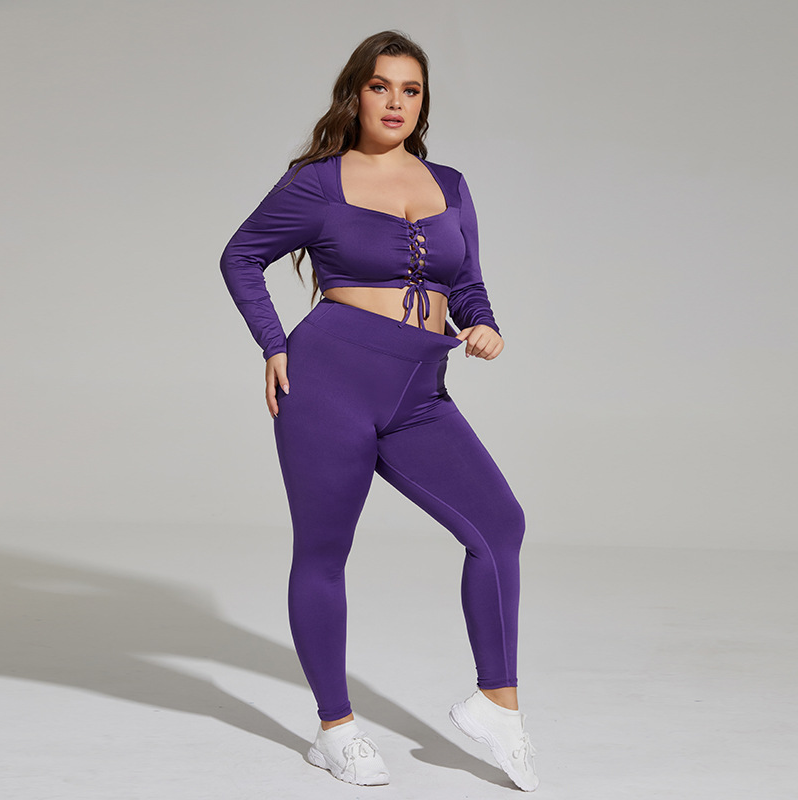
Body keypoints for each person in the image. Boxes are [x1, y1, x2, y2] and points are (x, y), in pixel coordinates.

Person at [219, 30, 539, 792]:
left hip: (420, 390)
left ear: (424, 103)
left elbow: (468, 283)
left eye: (411, 90)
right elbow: (241, 255)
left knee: (499, 527)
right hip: (329, 380)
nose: (395, 102)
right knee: (324, 551)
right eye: (380, 87)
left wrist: (485, 325)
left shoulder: (450, 184)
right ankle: (335, 729)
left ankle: (498, 705)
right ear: (355, 94)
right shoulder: (318, 183)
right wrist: (273, 344)